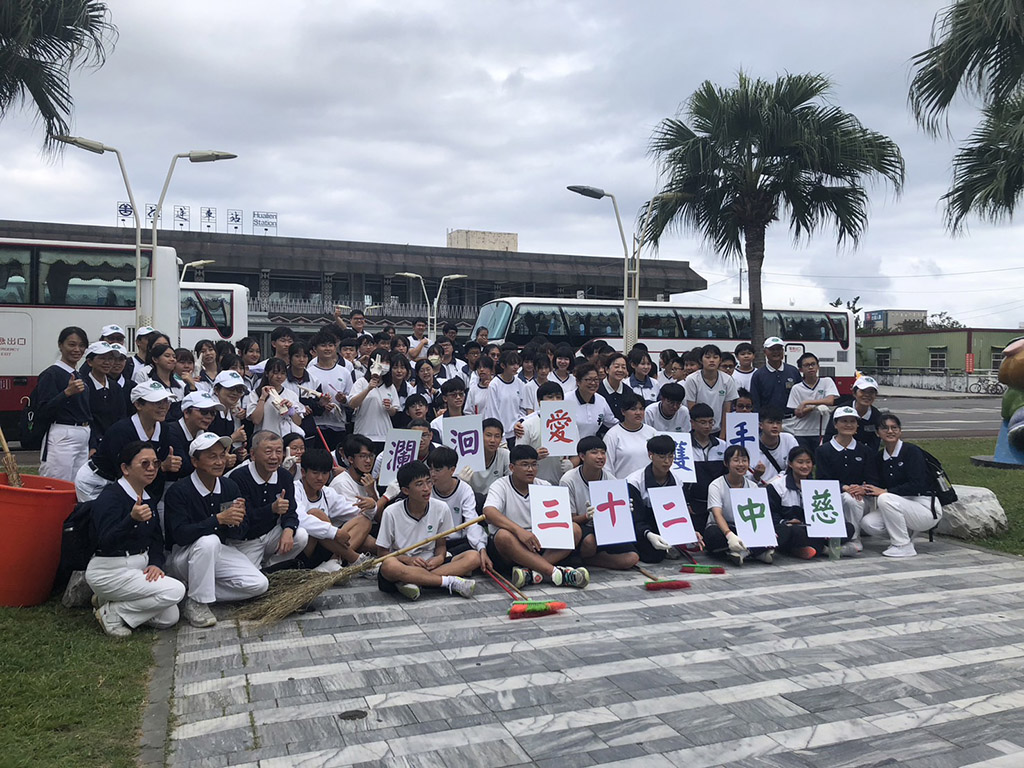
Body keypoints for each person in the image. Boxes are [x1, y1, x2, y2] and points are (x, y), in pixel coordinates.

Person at [163, 432, 270, 627]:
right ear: (195, 461)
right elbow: (180, 535)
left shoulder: (229, 487)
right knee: (209, 540)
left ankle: (192, 593)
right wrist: (218, 520)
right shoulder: (179, 491)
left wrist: (236, 522)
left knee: (259, 585)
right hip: (183, 556)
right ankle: (197, 603)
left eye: (222, 455)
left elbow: (239, 533)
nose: (220, 462)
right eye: (212, 457)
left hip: (218, 550)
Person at [85, 441, 186, 637]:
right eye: (144, 463)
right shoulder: (111, 497)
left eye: (155, 463)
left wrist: (156, 563)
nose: (151, 469)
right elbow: (105, 541)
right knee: (175, 590)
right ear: (125, 469)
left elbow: (156, 539)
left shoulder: (147, 497)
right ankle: (112, 613)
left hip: (138, 567)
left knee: (169, 617)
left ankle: (108, 601)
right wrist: (131, 520)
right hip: (110, 570)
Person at [483, 445, 588, 588]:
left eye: (534, 464)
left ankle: (532, 573)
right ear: (512, 467)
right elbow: (489, 512)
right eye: (525, 465)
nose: (530, 469)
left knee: (575, 530)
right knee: (502, 536)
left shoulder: (544, 485)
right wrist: (519, 531)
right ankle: (553, 572)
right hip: (513, 546)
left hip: (540, 543)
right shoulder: (500, 485)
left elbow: (560, 520)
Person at [377, 461, 478, 600]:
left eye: (429, 482)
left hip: (430, 563)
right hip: (404, 564)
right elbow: (382, 553)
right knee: (389, 566)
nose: (426, 488)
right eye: (419, 484)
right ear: (406, 490)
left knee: (473, 557)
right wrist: (408, 560)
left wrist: (439, 558)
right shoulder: (391, 512)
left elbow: (441, 545)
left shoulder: (441, 508)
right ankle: (448, 582)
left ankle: (412, 581)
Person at [75, 382, 181, 503]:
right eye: (157, 402)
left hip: (130, 483)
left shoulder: (164, 429)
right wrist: (161, 466)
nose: (163, 406)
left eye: (166, 401)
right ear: (138, 405)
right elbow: (125, 473)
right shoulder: (120, 431)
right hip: (97, 481)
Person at [861, 413, 939, 558]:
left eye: (894, 428)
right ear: (878, 433)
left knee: (884, 498)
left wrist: (886, 491)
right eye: (885, 428)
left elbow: (918, 485)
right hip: (899, 505)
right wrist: (862, 488)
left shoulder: (912, 452)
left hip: (924, 507)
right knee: (869, 523)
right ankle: (906, 532)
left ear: (900, 431)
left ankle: (903, 545)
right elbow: (875, 484)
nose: (890, 431)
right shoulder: (879, 457)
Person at [229, 430, 309, 571]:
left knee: (301, 536)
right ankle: (260, 571)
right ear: (253, 454)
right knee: (250, 580)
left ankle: (271, 568)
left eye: (278, 451)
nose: (274, 457)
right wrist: (271, 509)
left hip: (271, 533)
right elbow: (244, 519)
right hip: (247, 540)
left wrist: (289, 529)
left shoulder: (284, 476)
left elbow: (291, 511)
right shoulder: (239, 477)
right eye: (268, 452)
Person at [560, 436, 640, 571]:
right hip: (583, 528)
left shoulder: (611, 479)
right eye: (594, 452)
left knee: (631, 558)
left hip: (606, 528)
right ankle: (579, 556)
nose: (600, 457)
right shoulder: (568, 480)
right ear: (582, 456)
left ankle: (590, 560)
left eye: (603, 453)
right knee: (589, 542)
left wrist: (624, 511)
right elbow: (569, 520)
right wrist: (587, 516)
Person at [767, 446, 854, 559]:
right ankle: (825, 549)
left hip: (811, 529)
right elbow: (771, 514)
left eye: (808, 462)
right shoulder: (777, 486)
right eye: (800, 462)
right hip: (790, 527)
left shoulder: (817, 486)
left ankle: (803, 549)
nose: (805, 466)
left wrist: (828, 525)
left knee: (848, 528)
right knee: (792, 532)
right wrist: (785, 522)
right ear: (790, 464)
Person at [294, 449, 375, 570]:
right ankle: (356, 560)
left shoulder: (327, 492)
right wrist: (334, 532)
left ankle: (335, 561)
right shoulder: (294, 489)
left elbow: (355, 511)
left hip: (327, 547)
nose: (320, 478)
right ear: (303, 472)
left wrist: (371, 506)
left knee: (364, 521)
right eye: (315, 473)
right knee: (316, 514)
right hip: (303, 549)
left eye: (325, 473)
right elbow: (300, 520)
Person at [815, 406, 878, 555]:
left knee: (852, 499)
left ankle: (854, 539)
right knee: (849, 498)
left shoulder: (865, 451)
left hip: (860, 499)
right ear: (835, 424)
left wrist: (862, 489)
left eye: (852, 421)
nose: (848, 425)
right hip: (833, 497)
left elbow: (873, 479)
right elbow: (822, 480)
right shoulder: (823, 450)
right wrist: (844, 487)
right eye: (844, 421)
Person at [625, 434, 696, 563]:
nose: (667, 461)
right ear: (650, 455)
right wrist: (648, 534)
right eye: (662, 457)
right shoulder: (634, 482)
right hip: (641, 526)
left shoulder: (678, 481)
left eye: (671, 456)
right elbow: (635, 518)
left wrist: (689, 532)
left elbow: (679, 515)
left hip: (665, 526)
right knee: (652, 556)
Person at [37, 326, 91, 482]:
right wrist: (66, 393)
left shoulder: (78, 375)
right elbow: (43, 410)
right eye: (72, 344)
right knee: (57, 482)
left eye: (81, 345)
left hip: (83, 433)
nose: (77, 350)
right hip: (63, 432)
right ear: (60, 345)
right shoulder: (51, 374)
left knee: (78, 484)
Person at [705, 445, 775, 566]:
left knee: (778, 532)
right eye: (736, 460)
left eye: (744, 460)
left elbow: (760, 516)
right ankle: (755, 551)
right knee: (713, 536)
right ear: (726, 463)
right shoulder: (716, 485)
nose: (741, 464)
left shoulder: (752, 486)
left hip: (746, 529)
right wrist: (729, 535)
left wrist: (767, 532)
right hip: (723, 528)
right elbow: (717, 514)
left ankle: (742, 552)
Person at [427, 447, 489, 567]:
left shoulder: (464, 489)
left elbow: (471, 522)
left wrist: (481, 548)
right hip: (433, 542)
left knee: (480, 547)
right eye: (430, 469)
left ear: (452, 470)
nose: (432, 474)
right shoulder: (426, 489)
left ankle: (448, 561)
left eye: (438, 470)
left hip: (457, 542)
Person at [514, 381, 572, 485]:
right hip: (534, 483)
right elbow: (517, 456)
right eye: (550, 397)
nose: (555, 401)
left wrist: (571, 464)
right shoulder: (527, 425)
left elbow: (576, 454)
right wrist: (534, 456)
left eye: (558, 397)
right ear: (539, 401)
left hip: (560, 482)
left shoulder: (569, 423)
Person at [306, 330, 352, 450]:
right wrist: (321, 405)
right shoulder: (309, 372)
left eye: (330, 345)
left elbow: (351, 399)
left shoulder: (344, 372)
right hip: (317, 425)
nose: (327, 349)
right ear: (315, 349)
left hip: (339, 425)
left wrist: (343, 399)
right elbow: (306, 399)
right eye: (323, 345)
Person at [165, 391, 223, 484]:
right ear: (186, 413)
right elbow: (184, 468)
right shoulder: (170, 431)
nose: (209, 417)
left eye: (212, 413)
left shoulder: (205, 433)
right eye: (204, 412)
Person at [347, 349, 399, 452]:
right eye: (382, 361)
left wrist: (389, 408)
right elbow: (352, 404)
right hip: (363, 433)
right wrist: (368, 389)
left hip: (384, 435)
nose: (384, 365)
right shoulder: (362, 382)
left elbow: (394, 411)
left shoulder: (390, 386)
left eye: (387, 362)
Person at [785, 353, 839, 450]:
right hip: (801, 432)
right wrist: (813, 407)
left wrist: (805, 403)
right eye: (806, 365)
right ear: (801, 369)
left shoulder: (827, 381)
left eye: (813, 364)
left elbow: (830, 401)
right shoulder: (796, 388)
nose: (810, 367)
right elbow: (798, 413)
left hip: (822, 430)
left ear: (818, 366)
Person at [687, 402, 727, 531]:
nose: (708, 426)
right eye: (703, 422)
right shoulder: (683, 446)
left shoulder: (722, 445)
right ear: (692, 423)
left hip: (718, 503)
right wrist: (685, 502)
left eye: (711, 422)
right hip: (694, 503)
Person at [684, 344, 738, 437]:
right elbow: (691, 407)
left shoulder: (727, 380)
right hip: (697, 430)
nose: (712, 360)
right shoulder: (692, 379)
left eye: (715, 357)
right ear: (701, 360)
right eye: (708, 357)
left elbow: (726, 409)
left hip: (717, 429)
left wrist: (723, 435)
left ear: (720, 360)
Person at [83, 341, 126, 450]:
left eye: (110, 358)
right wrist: (93, 445)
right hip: (88, 443)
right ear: (90, 362)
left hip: (112, 443)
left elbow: (121, 416)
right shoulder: (83, 386)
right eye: (102, 358)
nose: (107, 362)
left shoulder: (116, 388)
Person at [245, 358, 303, 438]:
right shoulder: (256, 394)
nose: (279, 376)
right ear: (267, 373)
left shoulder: (291, 395)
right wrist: (262, 398)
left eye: (283, 373)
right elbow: (256, 420)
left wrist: (291, 410)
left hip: (285, 439)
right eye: (275, 373)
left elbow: (298, 422)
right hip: (264, 439)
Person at [603, 393, 657, 479]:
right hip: (623, 483)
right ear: (623, 411)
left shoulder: (652, 432)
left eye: (641, 409)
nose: (638, 413)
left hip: (649, 483)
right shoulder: (612, 435)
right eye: (633, 409)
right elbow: (607, 467)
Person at [823, 375, 883, 451]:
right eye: (863, 391)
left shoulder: (877, 416)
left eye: (871, 392)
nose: (867, 395)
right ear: (854, 393)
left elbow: (875, 443)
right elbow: (829, 436)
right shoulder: (840, 411)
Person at [329, 435, 380, 520]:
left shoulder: (369, 480)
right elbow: (358, 518)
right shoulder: (342, 483)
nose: (368, 460)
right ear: (351, 459)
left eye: (371, 456)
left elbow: (378, 517)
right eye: (363, 456)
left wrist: (372, 493)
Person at [749, 337, 800, 413]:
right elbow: (755, 402)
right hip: (768, 418)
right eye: (772, 349)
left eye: (779, 349)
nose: (776, 352)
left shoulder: (793, 371)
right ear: (765, 352)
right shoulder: (758, 375)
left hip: (792, 418)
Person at [484, 350, 524, 446]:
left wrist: (520, 422)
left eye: (517, 364)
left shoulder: (520, 383)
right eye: (512, 364)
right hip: (501, 435)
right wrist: (500, 435)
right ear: (503, 365)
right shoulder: (494, 385)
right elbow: (492, 411)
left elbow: (523, 408)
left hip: (517, 432)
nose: (516, 367)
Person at [572, 362, 618, 439]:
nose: (593, 383)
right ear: (578, 382)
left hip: (591, 443)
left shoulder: (601, 400)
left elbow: (611, 422)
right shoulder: (566, 400)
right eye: (588, 380)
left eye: (596, 379)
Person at [756, 406, 800, 485]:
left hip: (782, 486)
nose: (775, 426)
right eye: (770, 422)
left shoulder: (789, 439)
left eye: (778, 423)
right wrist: (756, 476)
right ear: (761, 425)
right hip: (758, 487)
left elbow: (793, 468)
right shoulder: (752, 443)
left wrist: (773, 483)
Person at [467, 418, 510, 496]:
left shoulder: (505, 455)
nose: (492, 440)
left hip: (496, 497)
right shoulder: (468, 456)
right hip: (472, 497)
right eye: (488, 435)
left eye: (497, 436)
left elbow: (511, 483)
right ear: (479, 435)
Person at [599, 352, 635, 422]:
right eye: (616, 367)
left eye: (623, 367)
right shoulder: (597, 389)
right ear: (607, 369)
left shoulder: (628, 391)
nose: (620, 370)